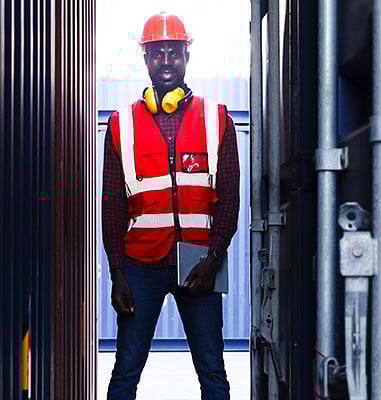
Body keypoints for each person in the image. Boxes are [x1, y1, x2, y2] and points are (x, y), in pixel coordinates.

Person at [102, 12, 240, 400]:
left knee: (212, 368)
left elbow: (229, 195)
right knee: (127, 368)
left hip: (200, 260)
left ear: (186, 57)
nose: (166, 61)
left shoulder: (217, 118)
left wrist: (215, 257)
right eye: (157, 53)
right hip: (139, 265)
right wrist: (117, 273)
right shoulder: (121, 123)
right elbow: (112, 205)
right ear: (146, 60)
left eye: (174, 52)